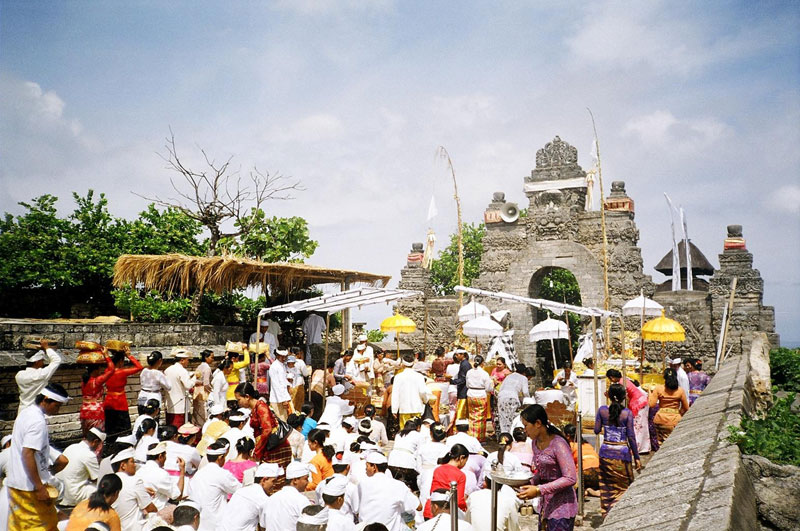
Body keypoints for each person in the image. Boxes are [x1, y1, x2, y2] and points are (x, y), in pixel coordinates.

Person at [6, 383, 69, 530]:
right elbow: (27, 453)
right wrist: (40, 487)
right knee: (43, 526)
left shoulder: (26, 413)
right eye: (56, 406)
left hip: (19, 485)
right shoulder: (37, 422)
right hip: (30, 489)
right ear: (45, 400)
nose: (57, 410)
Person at [516, 405, 577, 531]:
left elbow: (570, 478)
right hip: (545, 505)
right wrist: (529, 483)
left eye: (526, 426)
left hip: (561, 506)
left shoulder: (558, 444)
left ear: (538, 423)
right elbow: (543, 473)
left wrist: (538, 490)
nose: (524, 431)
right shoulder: (535, 443)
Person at [594, 383, 641, 515]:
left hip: (605, 454)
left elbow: (596, 430)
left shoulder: (602, 411)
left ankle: (607, 512)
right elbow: (631, 437)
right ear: (623, 397)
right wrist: (637, 458)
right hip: (622, 455)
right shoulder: (627, 414)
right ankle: (620, 513)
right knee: (624, 487)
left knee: (607, 485)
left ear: (608, 396)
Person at [352, 452, 421, 531]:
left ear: (374, 467)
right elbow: (418, 507)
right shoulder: (398, 485)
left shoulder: (362, 484)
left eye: (367, 466)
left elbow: (355, 509)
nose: (365, 469)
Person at [234, 382, 292, 473]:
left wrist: (257, 451)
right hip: (268, 447)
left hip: (275, 448)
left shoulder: (261, 407)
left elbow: (267, 429)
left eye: (239, 400)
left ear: (247, 397)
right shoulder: (255, 408)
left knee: (272, 479)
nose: (238, 403)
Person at [188, 440, 240, 531]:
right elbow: (239, 489)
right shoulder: (222, 474)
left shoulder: (198, 475)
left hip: (198, 523)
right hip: (216, 523)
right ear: (220, 457)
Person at [217, 462, 281, 531]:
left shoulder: (241, 491)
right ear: (264, 480)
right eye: (273, 481)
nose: (274, 485)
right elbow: (266, 525)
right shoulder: (262, 499)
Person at [55, 427, 106, 507]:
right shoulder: (89, 455)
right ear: (95, 442)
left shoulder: (71, 447)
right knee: (105, 489)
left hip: (61, 493)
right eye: (99, 444)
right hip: (74, 495)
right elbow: (97, 479)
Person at [110, 448, 157, 531]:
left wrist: (144, 490)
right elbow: (150, 508)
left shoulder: (108, 481)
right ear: (123, 465)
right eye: (132, 462)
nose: (135, 465)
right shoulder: (135, 481)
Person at [605, 368, 651, 454]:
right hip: (641, 401)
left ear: (612, 377)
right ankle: (643, 447)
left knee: (638, 426)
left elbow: (621, 397)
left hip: (638, 403)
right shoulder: (625, 379)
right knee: (642, 426)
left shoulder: (622, 383)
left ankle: (638, 448)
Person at [103, 346, 143, 439]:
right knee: (124, 428)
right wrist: (129, 356)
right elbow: (139, 367)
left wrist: (106, 356)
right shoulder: (122, 372)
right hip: (120, 402)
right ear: (121, 361)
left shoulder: (107, 371)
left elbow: (109, 365)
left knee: (110, 428)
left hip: (109, 401)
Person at [134, 441, 184, 511]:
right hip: (158, 512)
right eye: (165, 456)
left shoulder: (139, 471)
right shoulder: (161, 474)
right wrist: (182, 471)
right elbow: (177, 495)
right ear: (160, 456)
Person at [423, 443, 468, 518]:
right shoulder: (461, 475)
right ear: (461, 458)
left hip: (430, 509)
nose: (465, 464)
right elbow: (459, 501)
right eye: (465, 461)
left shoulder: (438, 469)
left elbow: (432, 491)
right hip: (446, 513)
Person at [262, 461, 312, 530]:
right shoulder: (301, 500)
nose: (308, 482)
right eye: (306, 479)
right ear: (295, 480)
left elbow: (263, 526)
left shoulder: (270, 499)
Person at [16, 339, 62, 413]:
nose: (43, 363)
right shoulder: (41, 374)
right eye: (42, 361)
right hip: (34, 411)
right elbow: (57, 360)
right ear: (37, 362)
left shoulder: (19, 375)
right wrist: (47, 348)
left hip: (22, 410)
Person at [649, 368, 690, 444]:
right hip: (674, 420)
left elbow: (651, 405)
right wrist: (678, 413)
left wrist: (649, 393)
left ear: (664, 377)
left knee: (661, 444)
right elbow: (686, 408)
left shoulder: (658, 388)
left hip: (660, 419)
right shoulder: (680, 391)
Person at [79, 351, 115, 435]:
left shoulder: (84, 380)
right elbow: (111, 370)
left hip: (84, 411)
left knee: (86, 437)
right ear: (95, 370)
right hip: (96, 413)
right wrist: (106, 355)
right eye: (99, 369)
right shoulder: (97, 381)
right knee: (97, 437)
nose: (100, 371)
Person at [391, 354, 429, 430]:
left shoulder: (398, 377)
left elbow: (395, 394)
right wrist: (425, 400)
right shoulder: (419, 376)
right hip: (417, 407)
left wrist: (394, 409)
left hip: (404, 408)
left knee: (405, 430)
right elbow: (422, 392)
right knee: (416, 430)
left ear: (402, 364)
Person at [562, 424, 600, 497]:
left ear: (568, 436)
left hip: (584, 475)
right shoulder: (587, 444)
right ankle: (591, 490)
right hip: (598, 475)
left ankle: (583, 491)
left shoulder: (570, 445)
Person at [164, 348, 197, 429]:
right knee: (180, 428)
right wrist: (195, 377)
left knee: (170, 427)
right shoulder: (182, 371)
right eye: (187, 360)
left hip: (170, 403)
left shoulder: (167, 370)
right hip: (180, 405)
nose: (188, 362)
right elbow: (188, 385)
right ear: (182, 360)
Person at [496, 363, 532, 435]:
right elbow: (525, 392)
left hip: (501, 398)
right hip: (512, 398)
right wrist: (529, 400)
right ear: (524, 372)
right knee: (511, 419)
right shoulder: (523, 378)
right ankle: (511, 436)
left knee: (503, 419)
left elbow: (501, 388)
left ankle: (504, 437)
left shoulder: (509, 376)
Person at [465, 355, 493, 441]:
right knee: (480, 418)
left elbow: (467, 384)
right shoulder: (484, 374)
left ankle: (472, 435)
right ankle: (479, 437)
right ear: (482, 363)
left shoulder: (469, 372)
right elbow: (488, 388)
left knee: (472, 416)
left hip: (471, 395)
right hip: (481, 395)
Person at [449, 350, 472, 428]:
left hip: (464, 391)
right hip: (463, 390)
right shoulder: (463, 363)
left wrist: (452, 381)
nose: (456, 356)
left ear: (463, 355)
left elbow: (463, 379)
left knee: (461, 411)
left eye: (457, 355)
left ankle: (459, 428)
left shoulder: (465, 364)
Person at [269, 349, 293, 421]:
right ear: (277, 356)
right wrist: (283, 400)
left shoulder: (282, 366)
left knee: (285, 419)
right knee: (280, 420)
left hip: (284, 397)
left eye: (285, 357)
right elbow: (276, 385)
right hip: (277, 399)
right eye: (281, 357)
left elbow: (283, 381)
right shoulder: (274, 367)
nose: (283, 359)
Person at [191, 350, 213, 427]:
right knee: (203, 412)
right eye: (211, 357)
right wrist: (212, 391)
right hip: (203, 391)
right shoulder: (207, 368)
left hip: (197, 390)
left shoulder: (199, 366)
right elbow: (206, 383)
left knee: (197, 410)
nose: (212, 359)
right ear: (206, 357)